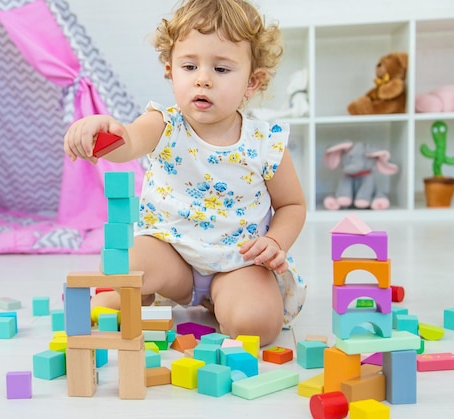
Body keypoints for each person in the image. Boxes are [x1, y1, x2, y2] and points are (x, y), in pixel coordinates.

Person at [63, 0, 306, 345]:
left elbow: (292, 205)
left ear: (253, 81)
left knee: (257, 326)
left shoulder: (265, 142)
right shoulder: (163, 123)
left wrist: (274, 242)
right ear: (170, 70)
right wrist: (101, 128)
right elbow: (127, 142)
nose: (202, 79)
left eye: (221, 69)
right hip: (171, 255)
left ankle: (223, 300)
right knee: (121, 264)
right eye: (189, 66)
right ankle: (139, 295)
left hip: (238, 261)